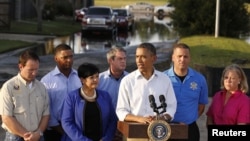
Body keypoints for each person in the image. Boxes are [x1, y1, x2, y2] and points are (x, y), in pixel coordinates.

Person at [116, 42, 177, 124]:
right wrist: (139, 119)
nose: (139, 60)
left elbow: (171, 106)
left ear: (154, 58)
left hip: (159, 130)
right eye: (137, 57)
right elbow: (121, 111)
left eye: (143, 57)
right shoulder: (127, 81)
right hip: (134, 131)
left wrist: (162, 118)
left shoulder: (165, 80)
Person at [0, 50, 50, 141]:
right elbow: (6, 117)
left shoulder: (42, 88)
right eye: (31, 70)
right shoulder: (8, 87)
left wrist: (38, 133)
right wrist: (26, 135)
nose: (34, 73)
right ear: (20, 67)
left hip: (38, 136)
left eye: (36, 69)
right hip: (15, 137)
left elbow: (46, 115)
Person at [163, 43, 209, 141]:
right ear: (173, 58)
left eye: (185, 56)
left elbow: (201, 106)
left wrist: (188, 119)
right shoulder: (162, 78)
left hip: (190, 129)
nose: (182, 59)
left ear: (189, 58)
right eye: (179, 56)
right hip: (167, 128)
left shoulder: (200, 79)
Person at [61, 63, 117, 141]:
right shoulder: (72, 97)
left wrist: (106, 138)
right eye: (91, 77)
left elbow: (112, 120)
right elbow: (66, 122)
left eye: (97, 76)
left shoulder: (105, 96)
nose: (95, 80)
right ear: (82, 79)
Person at [40, 44, 82, 141]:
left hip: (76, 128)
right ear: (56, 58)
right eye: (64, 57)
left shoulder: (79, 78)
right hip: (54, 131)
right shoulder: (46, 81)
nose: (69, 60)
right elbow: (46, 108)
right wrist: (61, 129)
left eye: (71, 56)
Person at [98, 47, 128, 141]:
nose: (123, 61)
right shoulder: (99, 80)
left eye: (124, 59)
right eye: (120, 59)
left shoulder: (131, 79)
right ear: (110, 60)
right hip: (104, 126)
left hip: (125, 125)